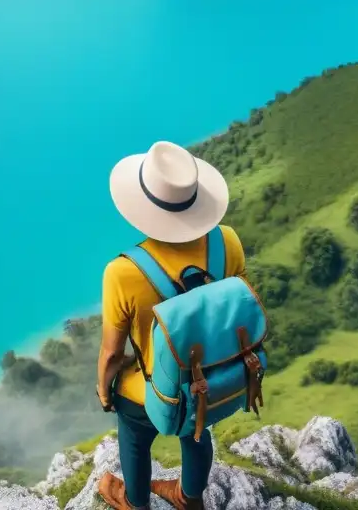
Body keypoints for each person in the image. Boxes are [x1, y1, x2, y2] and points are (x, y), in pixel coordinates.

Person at [96, 140, 250, 510]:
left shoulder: (123, 272)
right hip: (207, 378)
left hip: (154, 392)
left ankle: (135, 501)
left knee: (132, 432)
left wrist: (104, 392)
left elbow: (113, 353)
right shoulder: (226, 241)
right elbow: (237, 305)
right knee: (197, 430)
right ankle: (189, 497)